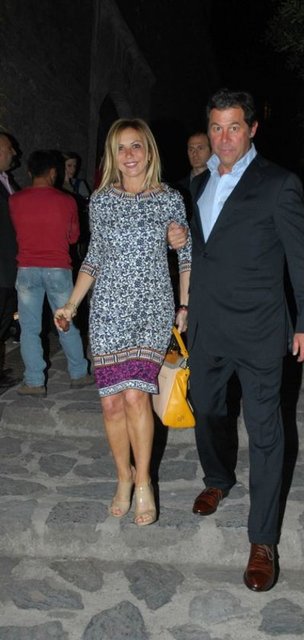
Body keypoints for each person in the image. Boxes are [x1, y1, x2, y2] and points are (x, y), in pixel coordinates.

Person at [188, 89, 304, 592]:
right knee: (207, 409)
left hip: (260, 329)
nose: (224, 138)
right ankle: (219, 478)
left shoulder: (279, 183)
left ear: (252, 129)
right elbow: (202, 251)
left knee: (266, 431)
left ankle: (263, 540)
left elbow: (302, 258)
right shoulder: (197, 183)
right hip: (207, 327)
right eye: (216, 127)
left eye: (234, 127)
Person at [54, 118, 191, 527]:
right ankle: (123, 477)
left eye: (136, 146)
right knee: (111, 402)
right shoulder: (101, 201)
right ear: (112, 156)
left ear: (149, 151)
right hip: (108, 311)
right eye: (120, 148)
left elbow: (185, 255)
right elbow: (94, 257)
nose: (129, 155)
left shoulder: (169, 198)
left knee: (136, 396)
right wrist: (71, 305)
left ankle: (144, 480)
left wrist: (184, 305)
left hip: (151, 309)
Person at [9, 150, 93, 396]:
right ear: (54, 172)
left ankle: (34, 381)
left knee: (29, 328)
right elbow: (74, 237)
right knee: (65, 323)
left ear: (29, 172)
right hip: (58, 269)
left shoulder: (15, 200)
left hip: (27, 269)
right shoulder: (67, 201)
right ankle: (78, 373)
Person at [0, 132, 19, 380]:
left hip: (9, 265)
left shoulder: (7, 180)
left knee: (4, 321)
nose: (14, 152)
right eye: (9, 148)